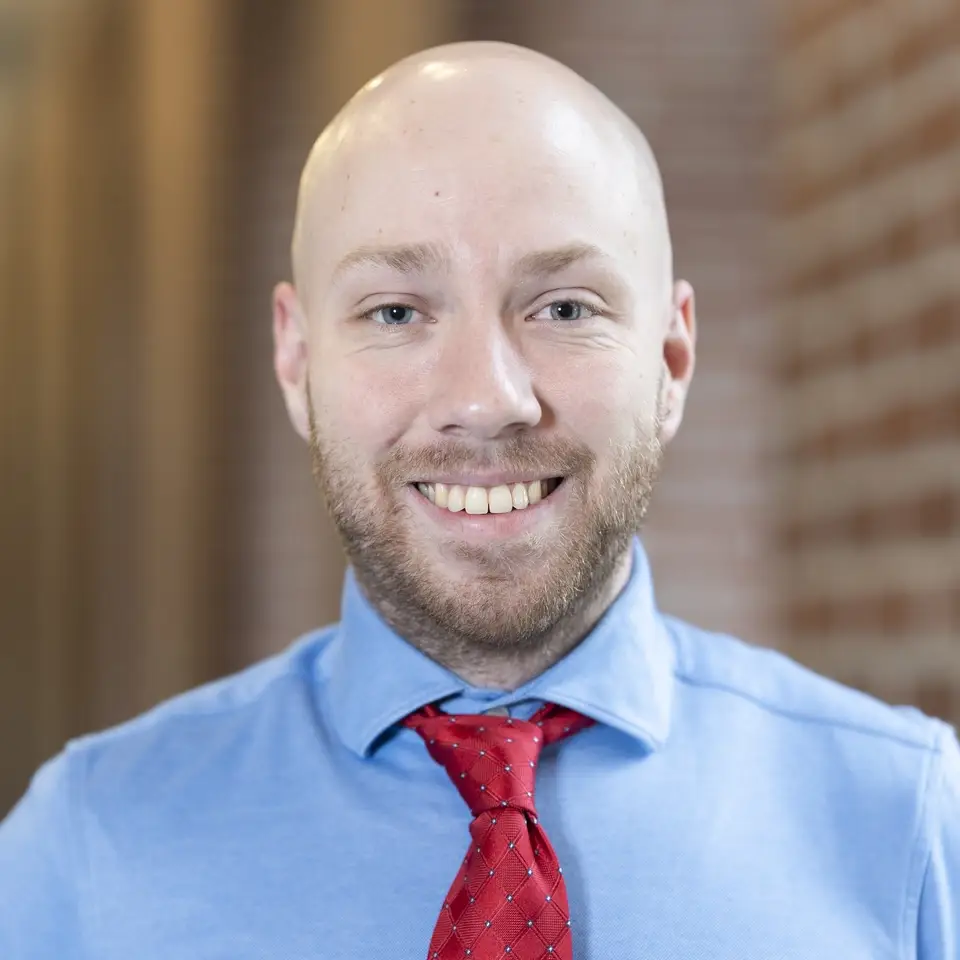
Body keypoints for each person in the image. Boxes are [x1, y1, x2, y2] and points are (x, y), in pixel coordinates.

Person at [0, 40, 957, 960]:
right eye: (396, 312)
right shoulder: (86, 845)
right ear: (296, 361)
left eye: (566, 308)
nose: (486, 400)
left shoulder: (916, 826)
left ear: (672, 357)